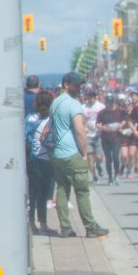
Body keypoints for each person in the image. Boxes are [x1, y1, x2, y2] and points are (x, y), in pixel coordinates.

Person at [49, 72, 109, 238]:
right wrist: (84, 153)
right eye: (76, 85)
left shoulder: (55, 102)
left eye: (81, 85)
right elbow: (80, 131)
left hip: (56, 152)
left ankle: (65, 227)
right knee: (82, 190)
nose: (79, 88)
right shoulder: (73, 104)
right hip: (71, 152)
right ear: (66, 84)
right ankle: (90, 227)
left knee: (62, 189)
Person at [25, 90, 56, 235]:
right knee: (43, 194)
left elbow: (25, 138)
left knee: (32, 192)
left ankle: (31, 223)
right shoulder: (51, 119)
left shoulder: (30, 118)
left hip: (32, 159)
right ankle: (43, 224)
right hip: (47, 158)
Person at [97, 95, 125, 185]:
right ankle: (110, 177)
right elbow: (97, 124)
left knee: (116, 157)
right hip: (105, 138)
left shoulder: (119, 111)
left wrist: (121, 125)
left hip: (116, 137)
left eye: (111, 103)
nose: (110, 105)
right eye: (108, 103)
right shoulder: (102, 113)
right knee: (108, 159)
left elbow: (125, 120)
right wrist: (102, 127)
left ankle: (116, 175)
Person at [83, 89, 105, 183]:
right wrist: (84, 127)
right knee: (89, 158)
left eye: (92, 96)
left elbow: (105, 119)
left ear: (95, 97)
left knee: (99, 156)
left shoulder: (101, 106)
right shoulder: (83, 107)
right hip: (88, 135)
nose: (90, 98)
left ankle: (99, 165)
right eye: (89, 96)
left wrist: (101, 126)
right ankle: (94, 176)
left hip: (98, 134)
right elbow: (81, 119)